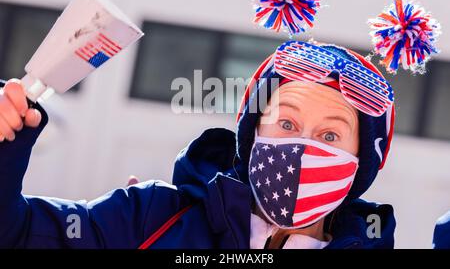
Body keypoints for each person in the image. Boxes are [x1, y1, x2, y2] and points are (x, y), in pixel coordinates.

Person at [0, 40, 397, 249]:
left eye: (330, 136)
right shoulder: (151, 219)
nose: (303, 149)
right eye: (287, 123)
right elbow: (15, 234)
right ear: (252, 132)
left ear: (362, 162)